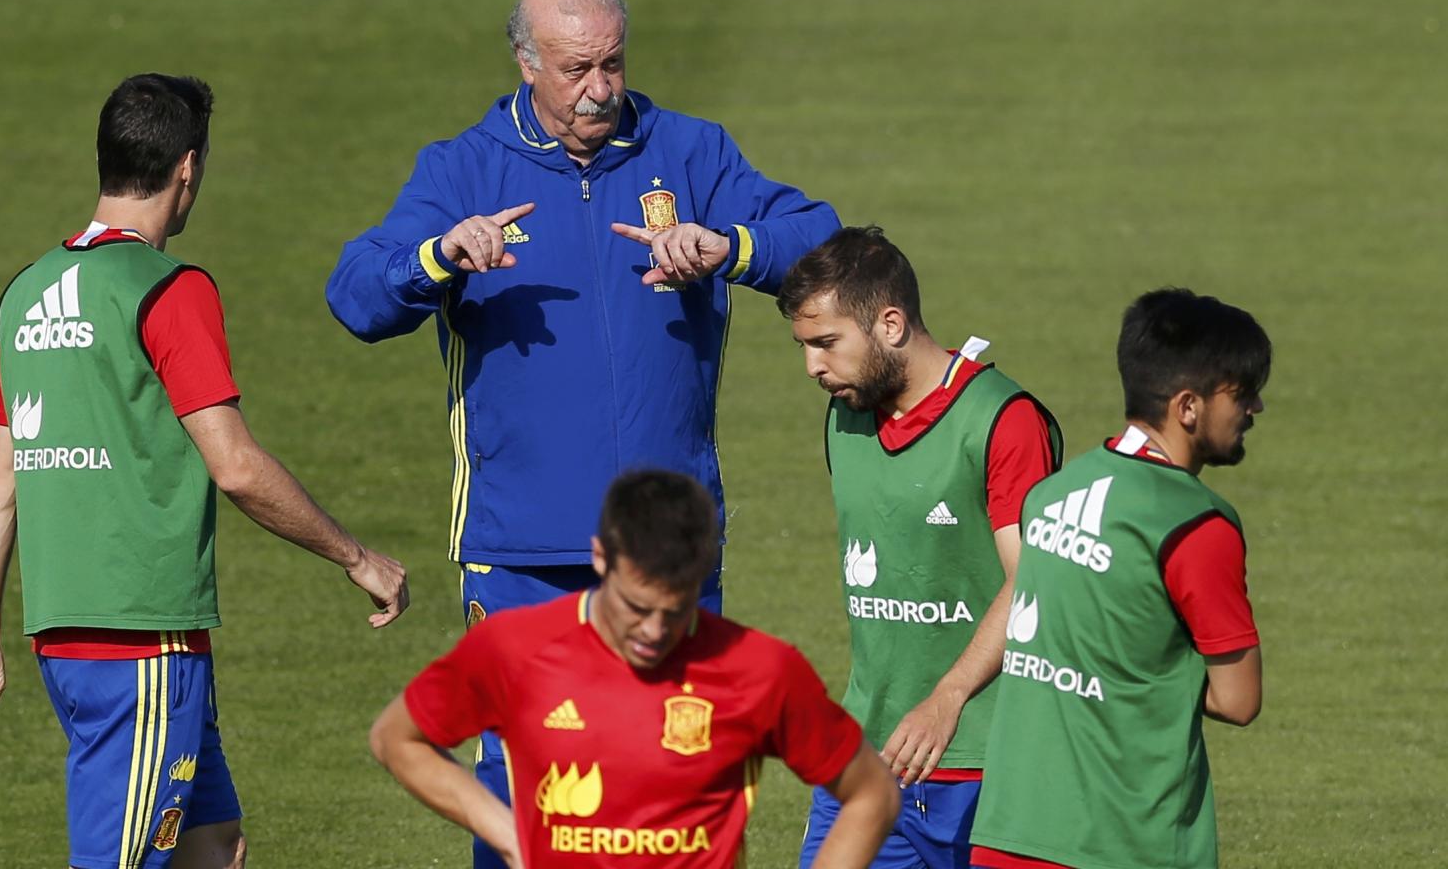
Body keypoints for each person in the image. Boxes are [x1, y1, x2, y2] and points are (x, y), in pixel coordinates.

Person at [324, 0, 841, 863]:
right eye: (575, 69)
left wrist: (730, 247)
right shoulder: (462, 169)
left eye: (612, 63)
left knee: (674, 778)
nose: (600, 89)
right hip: (525, 549)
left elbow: (819, 237)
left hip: (667, 547)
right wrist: (441, 255)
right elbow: (356, 296)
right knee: (528, 782)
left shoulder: (691, 152)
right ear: (526, 63)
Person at [0, 73, 409, 869]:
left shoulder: (25, 295)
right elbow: (234, 466)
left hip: (67, 639)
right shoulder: (170, 291)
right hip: (143, 648)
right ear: (187, 169)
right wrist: (356, 557)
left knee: (211, 844)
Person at [370, 469, 899, 868]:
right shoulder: (515, 648)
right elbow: (398, 738)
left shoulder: (759, 669)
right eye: (637, 608)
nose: (653, 631)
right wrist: (508, 834)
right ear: (600, 558)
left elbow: (871, 791)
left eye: (675, 611)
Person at [776, 227, 1063, 869]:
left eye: (827, 344)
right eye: (803, 347)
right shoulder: (846, 412)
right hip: (870, 758)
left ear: (892, 323)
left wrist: (947, 698)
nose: (813, 367)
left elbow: (1034, 582)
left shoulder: (1001, 420)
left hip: (985, 764)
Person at [968, 288, 1269, 869]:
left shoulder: (1052, 495)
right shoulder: (1195, 524)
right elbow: (1238, 699)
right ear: (1189, 406)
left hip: (1008, 831)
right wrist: (1146, 670)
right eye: (1243, 391)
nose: (1255, 407)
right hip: (1123, 840)